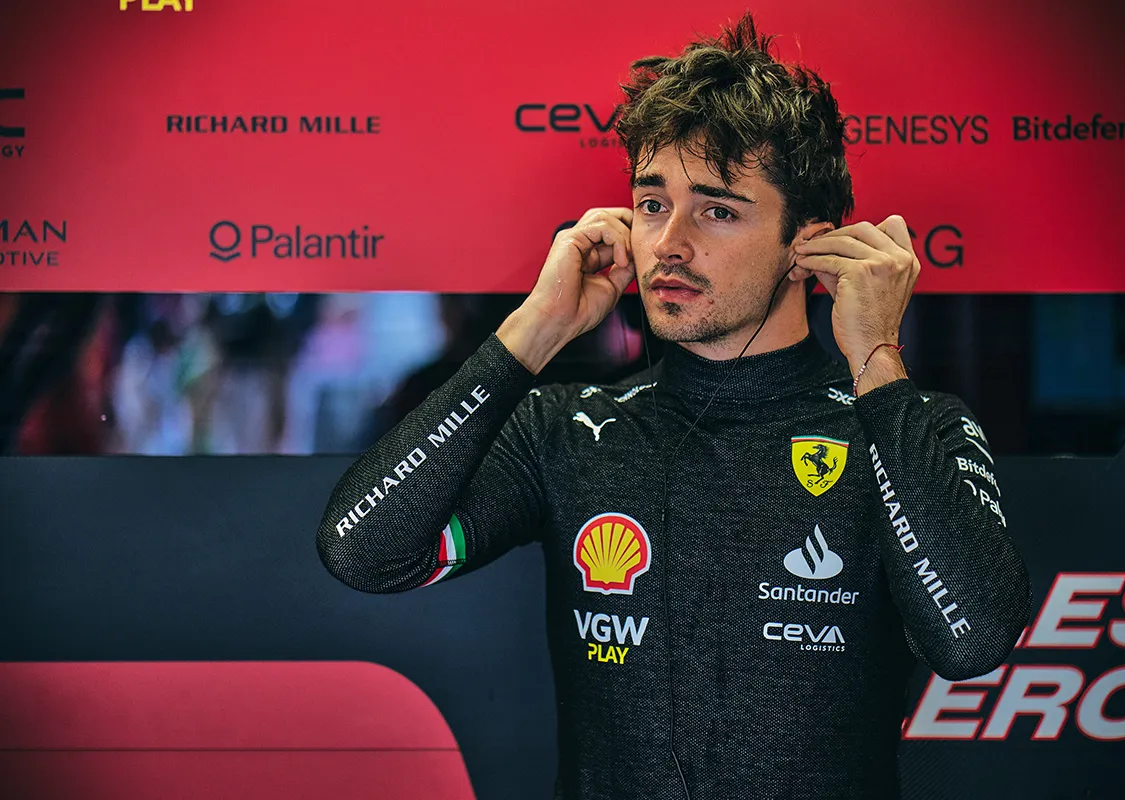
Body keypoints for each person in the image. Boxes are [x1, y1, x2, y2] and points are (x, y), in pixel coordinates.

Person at [316, 13, 1031, 799]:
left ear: (807, 246)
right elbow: (364, 553)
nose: (669, 243)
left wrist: (876, 359)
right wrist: (534, 330)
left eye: (717, 210)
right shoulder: (569, 427)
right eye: (653, 204)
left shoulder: (907, 426)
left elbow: (972, 642)